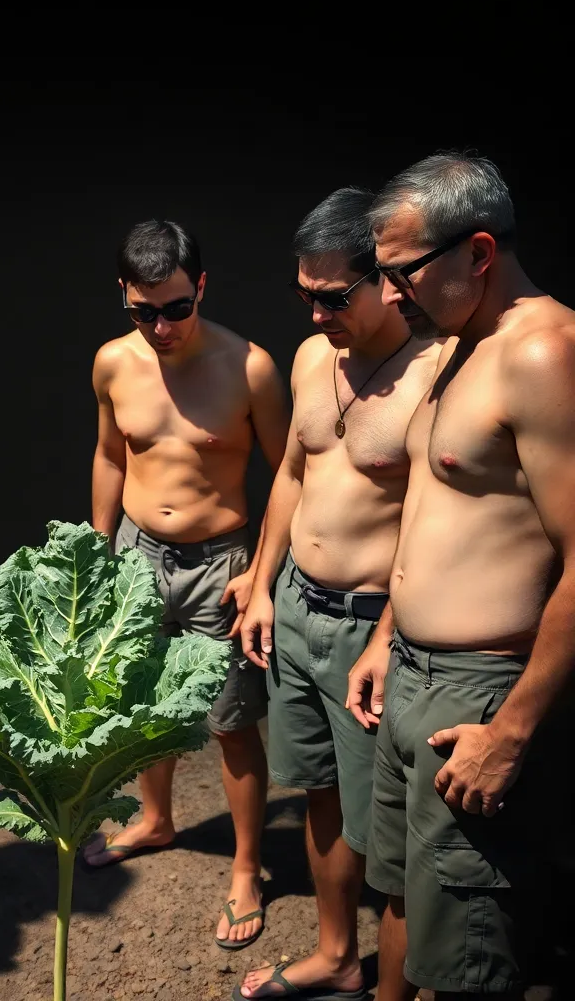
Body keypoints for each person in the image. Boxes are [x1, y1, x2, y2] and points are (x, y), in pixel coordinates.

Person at [353, 152, 575, 1000]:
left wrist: (511, 733)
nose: (386, 295)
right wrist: (387, 637)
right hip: (413, 673)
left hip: (482, 699)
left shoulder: (545, 352)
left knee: (472, 954)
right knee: (407, 894)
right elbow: (433, 514)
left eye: (400, 273)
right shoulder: (457, 342)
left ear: (478, 252)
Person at [235, 189, 443, 1000]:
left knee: (382, 826)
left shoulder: (434, 375)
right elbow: (292, 470)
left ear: (387, 281)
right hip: (296, 609)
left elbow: (430, 529)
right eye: (304, 294)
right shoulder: (310, 358)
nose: (317, 313)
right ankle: (336, 955)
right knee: (317, 787)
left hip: (370, 628)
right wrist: (260, 583)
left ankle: (392, 986)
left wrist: (391, 636)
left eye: (334, 297)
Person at [82, 219, 289, 952]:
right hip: (139, 554)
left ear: (200, 287)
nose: (162, 326)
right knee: (144, 708)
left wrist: (260, 576)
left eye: (176, 307)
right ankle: (157, 819)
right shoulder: (113, 363)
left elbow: (291, 476)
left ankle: (245, 866)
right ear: (125, 298)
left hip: (220, 564)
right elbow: (111, 455)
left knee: (231, 722)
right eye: (145, 312)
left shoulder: (250, 367)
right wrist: (98, 553)